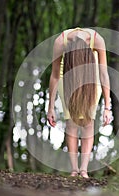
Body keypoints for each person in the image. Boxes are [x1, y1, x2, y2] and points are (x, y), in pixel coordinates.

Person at [47, 27, 111, 178]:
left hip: (91, 76)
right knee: (72, 122)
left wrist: (108, 107)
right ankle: (74, 169)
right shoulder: (60, 42)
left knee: (88, 122)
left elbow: (103, 73)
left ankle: (84, 170)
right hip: (68, 76)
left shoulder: (97, 39)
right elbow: (55, 75)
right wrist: (50, 107)